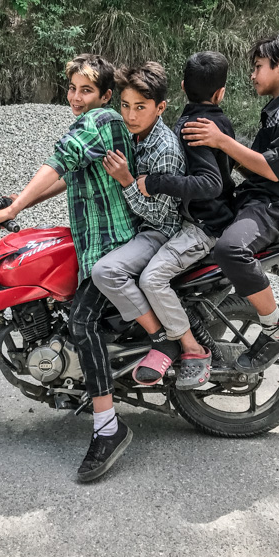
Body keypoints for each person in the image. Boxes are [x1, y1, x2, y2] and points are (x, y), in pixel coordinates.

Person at [0, 53, 138, 482]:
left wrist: (14, 206)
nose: (75, 97)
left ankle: (108, 428)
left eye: (85, 89)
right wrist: (17, 205)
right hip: (97, 242)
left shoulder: (101, 121)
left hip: (112, 243)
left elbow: (59, 159)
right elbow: (63, 179)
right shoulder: (96, 128)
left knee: (81, 324)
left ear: (105, 95)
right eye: (71, 89)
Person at [182, 35, 279, 373]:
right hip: (256, 198)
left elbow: (273, 168)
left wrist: (223, 141)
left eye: (258, 67)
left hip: (276, 206)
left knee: (231, 249)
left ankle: (276, 329)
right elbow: (255, 162)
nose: (252, 75)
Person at [130, 51, 236, 388]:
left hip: (204, 227)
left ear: (180, 86)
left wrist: (156, 182)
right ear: (220, 93)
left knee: (152, 279)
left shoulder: (195, 127)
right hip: (201, 220)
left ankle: (189, 349)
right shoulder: (214, 119)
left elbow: (210, 184)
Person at [91, 62, 185, 373]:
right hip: (134, 223)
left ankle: (160, 337)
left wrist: (126, 181)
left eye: (140, 107)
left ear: (160, 108)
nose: (130, 115)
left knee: (106, 272)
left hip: (158, 231)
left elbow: (160, 214)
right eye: (126, 105)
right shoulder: (132, 134)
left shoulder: (165, 148)